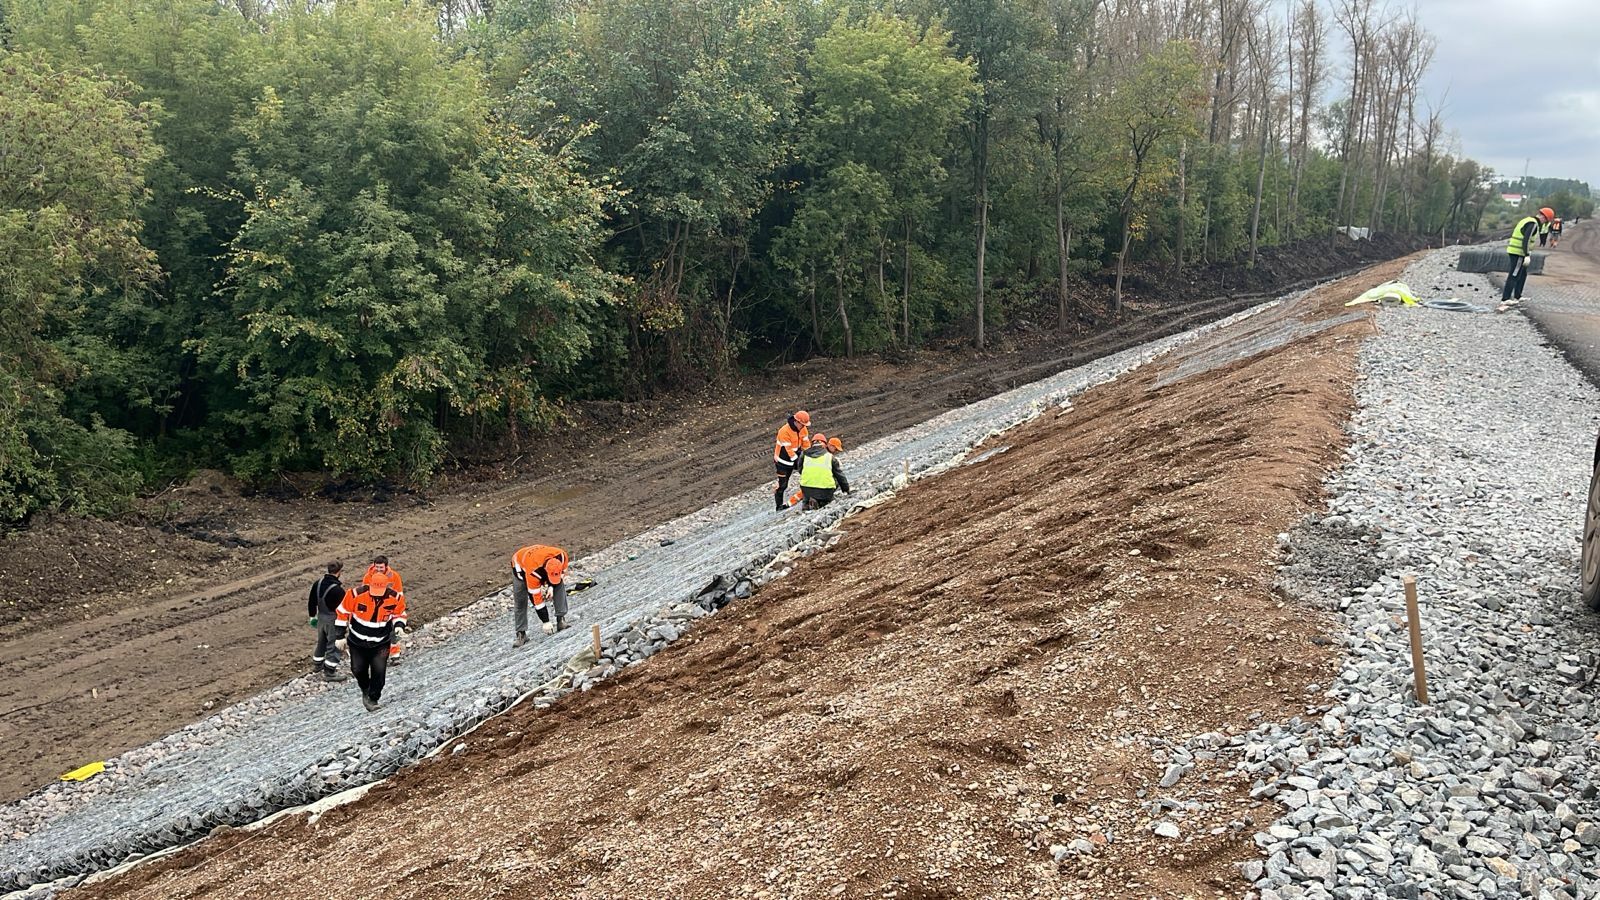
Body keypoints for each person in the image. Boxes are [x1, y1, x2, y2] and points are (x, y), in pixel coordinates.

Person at [334, 562, 408, 711]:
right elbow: (342, 612)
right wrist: (339, 635)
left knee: (379, 673)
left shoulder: (395, 598)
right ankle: (365, 689)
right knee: (358, 669)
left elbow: (400, 613)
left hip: (381, 643)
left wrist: (399, 627)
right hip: (357, 642)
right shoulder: (355, 595)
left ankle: (373, 699)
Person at [511, 544, 571, 647]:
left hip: (538, 556)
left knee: (559, 585)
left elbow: (560, 576)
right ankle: (521, 633)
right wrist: (545, 621)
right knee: (520, 600)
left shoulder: (562, 556)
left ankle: (561, 619)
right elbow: (535, 598)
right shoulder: (533, 572)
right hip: (520, 565)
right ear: (546, 572)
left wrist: (551, 586)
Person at [354, 556, 407, 662]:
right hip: (373, 608)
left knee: (391, 631)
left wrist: (397, 608)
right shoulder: (368, 577)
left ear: (386, 567)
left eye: (381, 567)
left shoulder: (394, 577)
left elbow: (399, 595)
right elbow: (364, 594)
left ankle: (394, 654)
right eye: (376, 567)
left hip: (388, 607)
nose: (378, 570)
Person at [306, 561, 349, 682]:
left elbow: (311, 601)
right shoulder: (338, 591)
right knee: (333, 645)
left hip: (321, 618)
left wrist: (312, 616)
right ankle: (330, 672)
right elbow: (343, 609)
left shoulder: (317, 584)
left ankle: (317, 664)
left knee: (321, 642)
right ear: (339, 572)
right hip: (333, 620)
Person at [1502, 207, 1553, 305]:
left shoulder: (1528, 220)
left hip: (1518, 251)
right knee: (1514, 274)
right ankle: (1505, 299)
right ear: (1544, 217)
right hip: (1518, 252)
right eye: (1546, 221)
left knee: (1522, 274)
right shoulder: (1533, 224)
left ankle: (1518, 296)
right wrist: (1526, 254)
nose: (1544, 223)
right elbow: (1526, 239)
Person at [797, 431, 850, 510]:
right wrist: (846, 489)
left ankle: (806, 504)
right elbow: (840, 476)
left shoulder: (804, 454)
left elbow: (800, 470)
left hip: (807, 491)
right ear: (825, 444)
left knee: (807, 493)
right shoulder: (830, 457)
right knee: (833, 481)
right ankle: (822, 502)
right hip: (825, 492)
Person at [773, 410, 811, 512]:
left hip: (795, 456)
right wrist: (798, 460)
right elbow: (788, 450)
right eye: (802, 424)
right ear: (796, 422)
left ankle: (809, 496)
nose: (803, 427)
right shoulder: (784, 431)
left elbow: (806, 444)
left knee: (808, 473)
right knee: (783, 485)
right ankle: (779, 507)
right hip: (783, 461)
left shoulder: (803, 429)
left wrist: (810, 456)